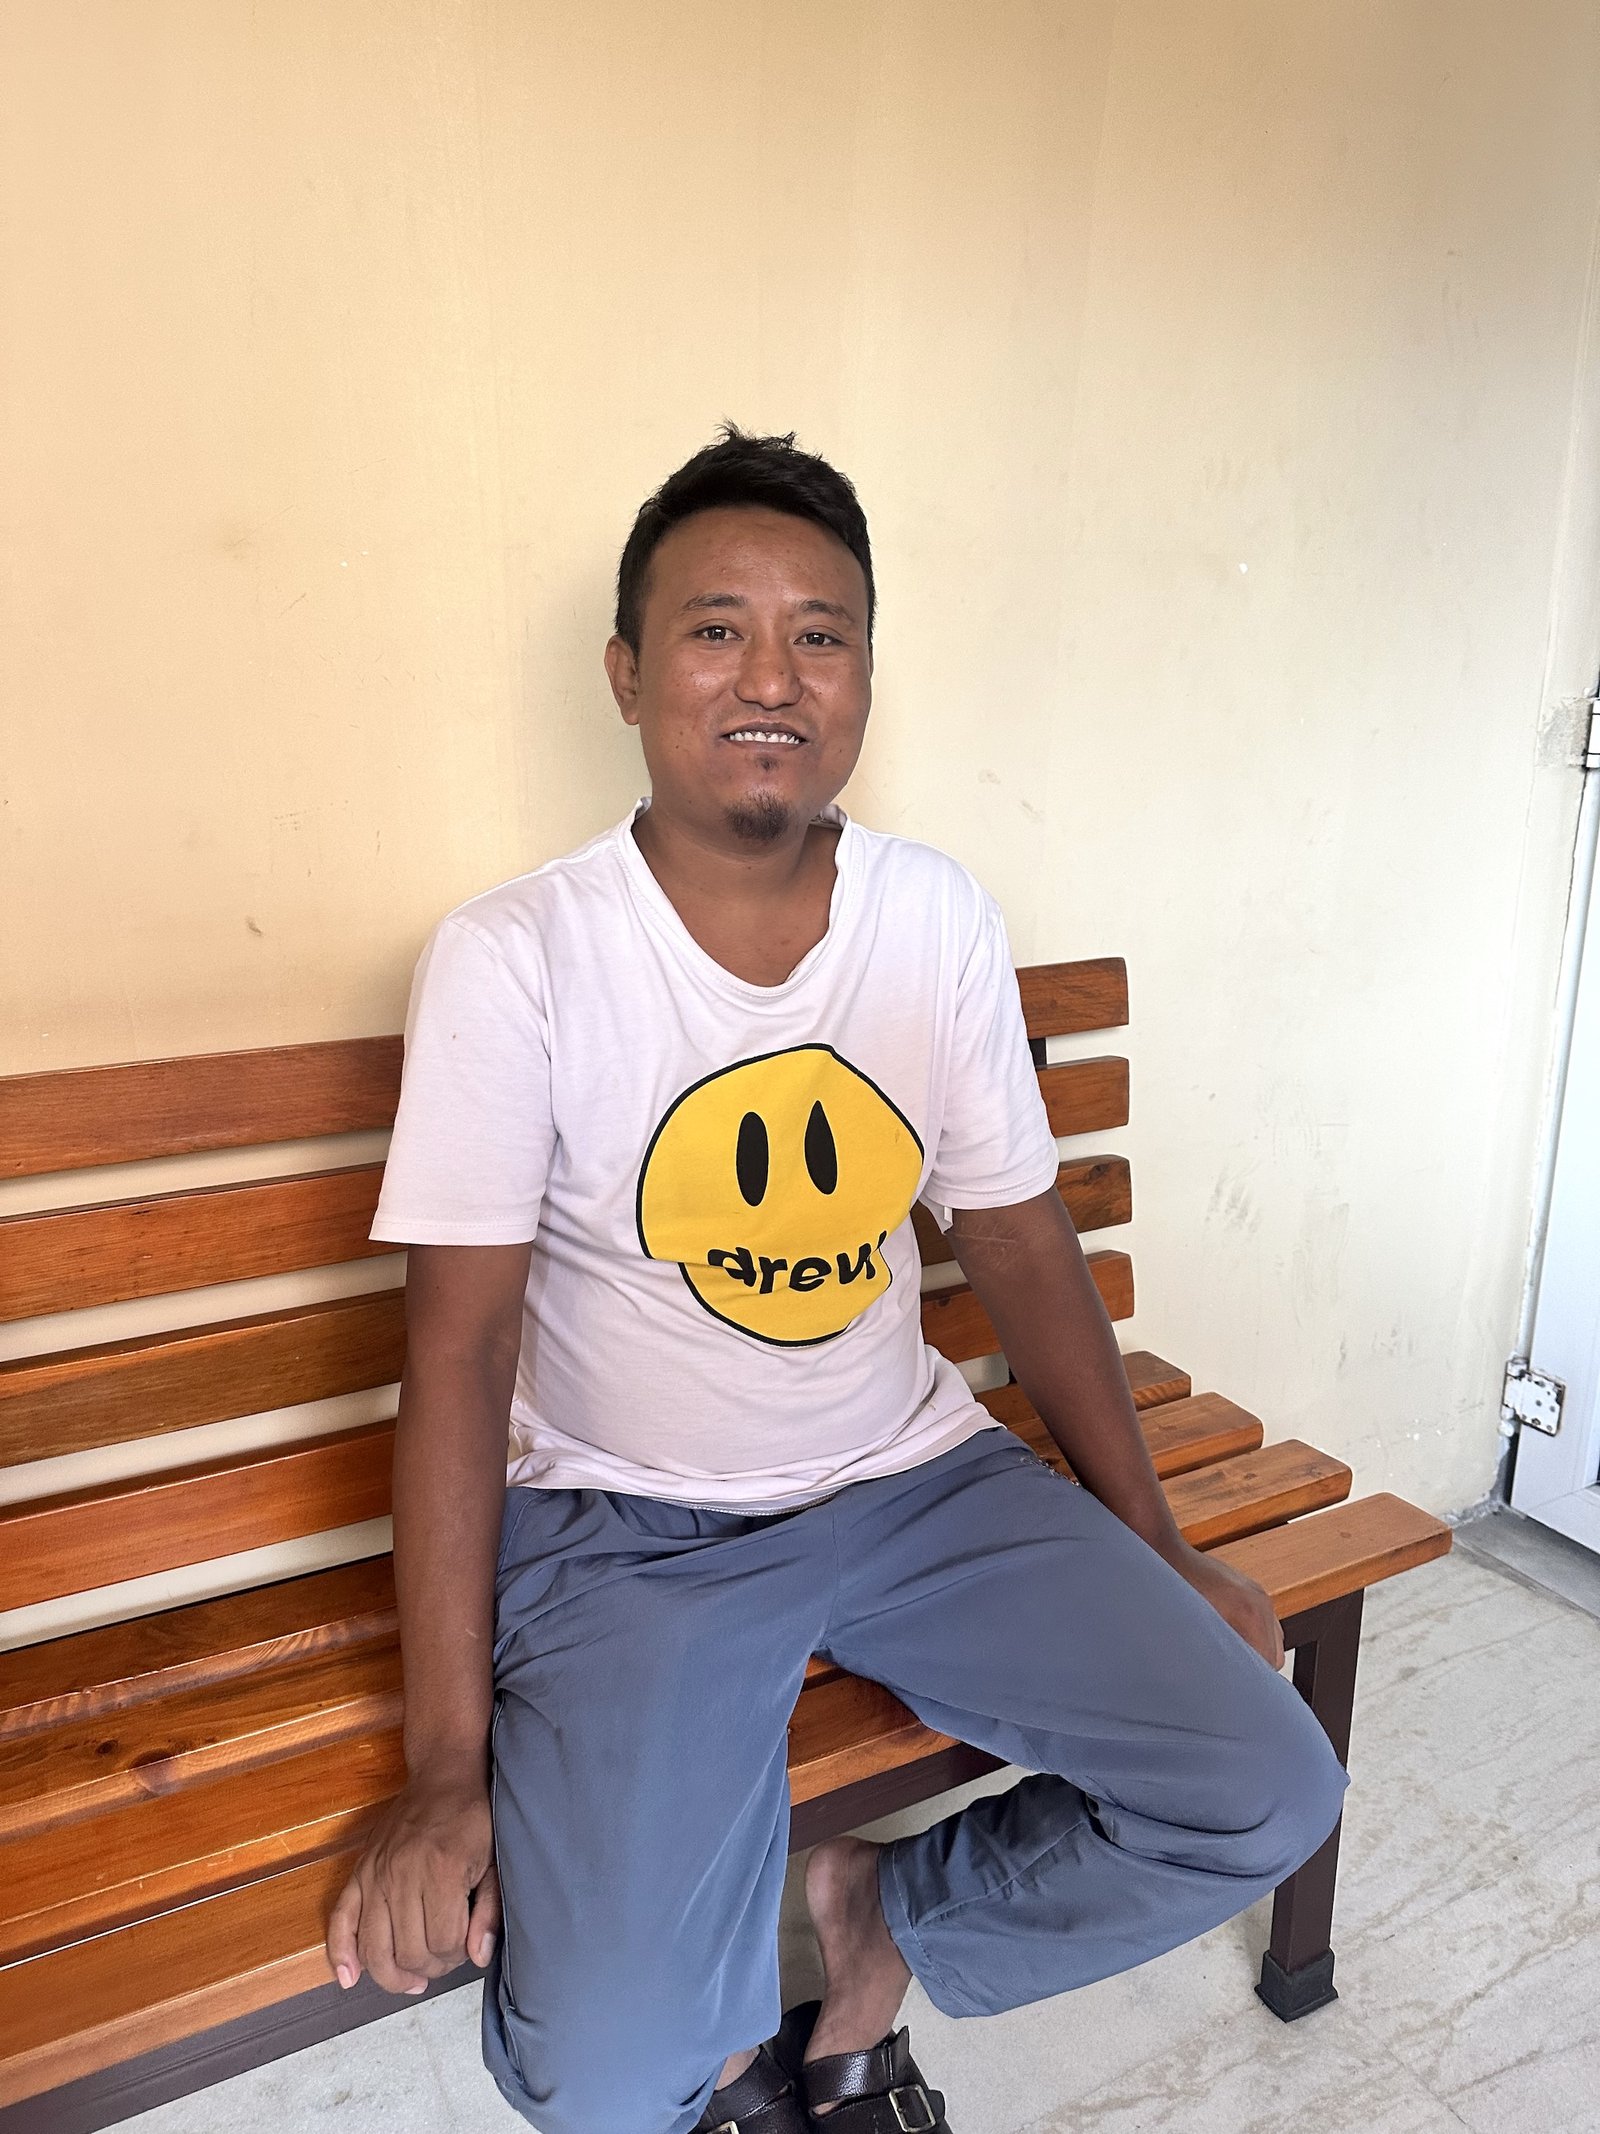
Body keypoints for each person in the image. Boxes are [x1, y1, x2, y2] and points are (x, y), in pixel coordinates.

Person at [325, 428, 1346, 2134]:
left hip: (911, 1479)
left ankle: (883, 1916)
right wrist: (446, 1769)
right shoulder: (520, 957)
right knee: (614, 2076)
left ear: (866, 674)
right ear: (629, 673)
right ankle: (726, 2057)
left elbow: (1017, 1238)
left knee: (1265, 1782)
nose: (772, 675)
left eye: (824, 632)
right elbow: (461, 1348)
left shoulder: (931, 918)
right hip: (629, 1531)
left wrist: (1160, 1548)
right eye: (717, 627)